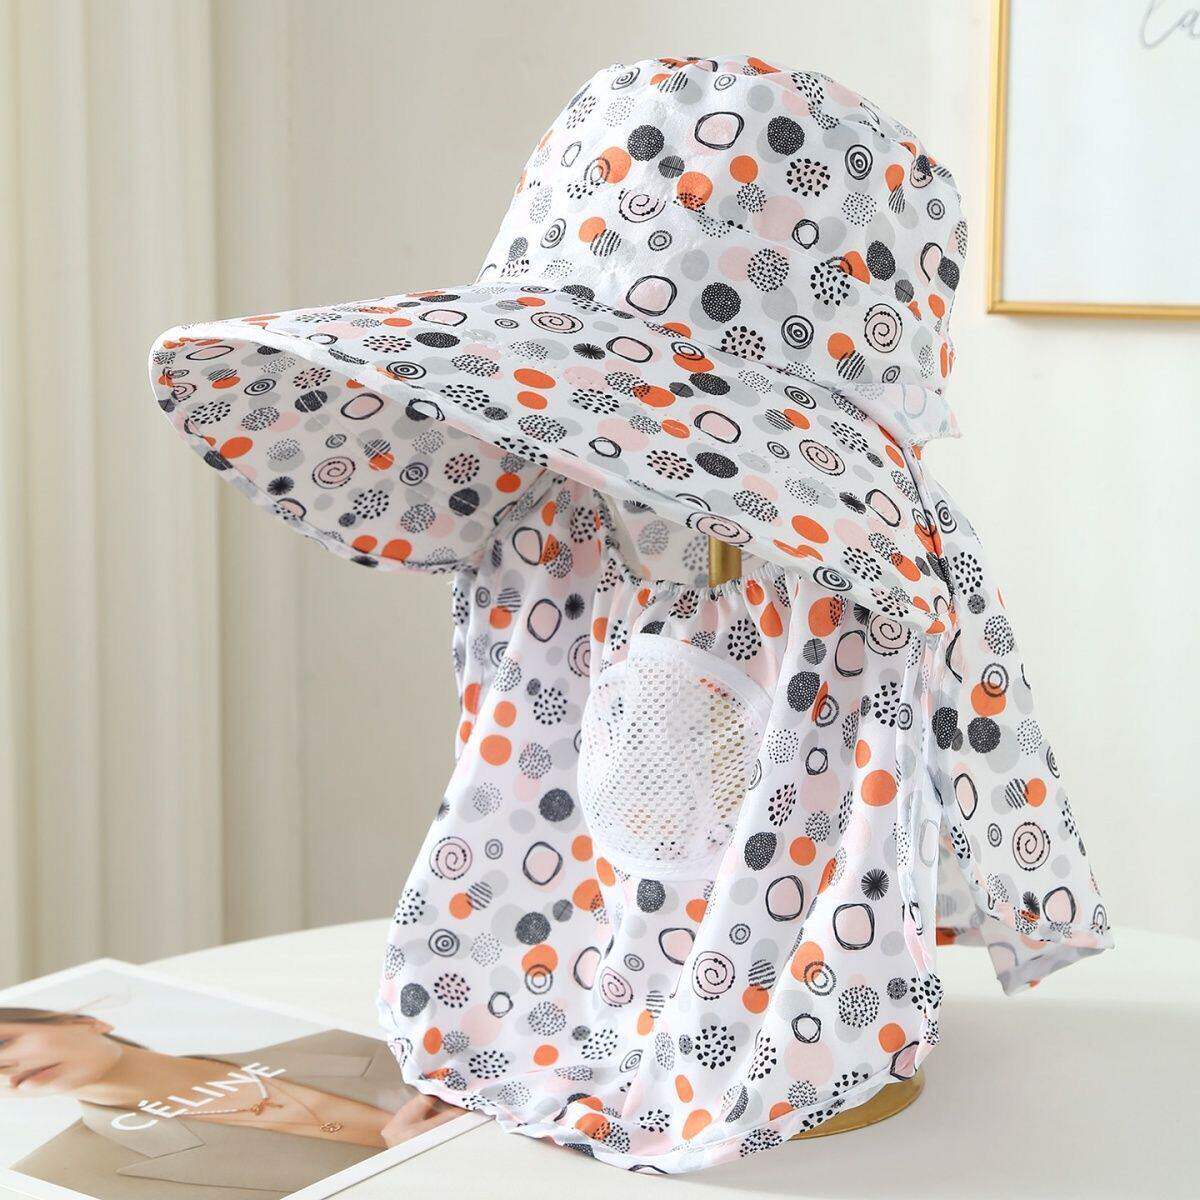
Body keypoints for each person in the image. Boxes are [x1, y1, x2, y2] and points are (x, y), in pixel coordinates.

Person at [2, 1006, 463, 1199]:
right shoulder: (59, 1178)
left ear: (84, 1020)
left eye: (4, 1043)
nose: (3, 1068)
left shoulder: (352, 1038)